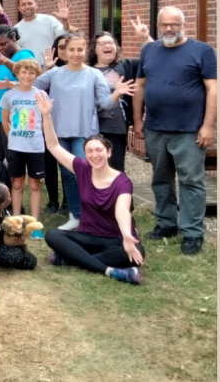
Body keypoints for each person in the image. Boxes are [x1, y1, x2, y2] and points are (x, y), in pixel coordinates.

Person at [133, 6, 217, 256]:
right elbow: (139, 86)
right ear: (158, 26)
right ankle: (166, 223)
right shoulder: (149, 49)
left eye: (174, 24)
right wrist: (137, 120)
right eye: (164, 25)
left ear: (183, 24)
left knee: (191, 181)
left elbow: (213, 89)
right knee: (160, 179)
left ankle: (192, 232)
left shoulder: (201, 50)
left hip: (190, 130)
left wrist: (208, 126)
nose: (169, 29)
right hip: (155, 128)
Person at [39, 92, 145, 285]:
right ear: (85, 153)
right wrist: (46, 115)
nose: (94, 155)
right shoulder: (82, 168)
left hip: (115, 239)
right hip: (87, 237)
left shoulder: (122, 182)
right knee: (53, 235)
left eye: (99, 150)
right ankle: (111, 271)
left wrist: (128, 236)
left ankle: (70, 258)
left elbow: (122, 211)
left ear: (108, 152)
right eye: (90, 151)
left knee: (135, 253)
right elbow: (53, 146)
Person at [33, 33, 132, 231]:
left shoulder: (93, 74)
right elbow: (33, 87)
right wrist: (45, 72)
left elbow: (104, 104)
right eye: (71, 50)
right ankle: (76, 216)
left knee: (85, 173)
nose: (76, 54)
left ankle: (94, 214)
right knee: (68, 175)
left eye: (80, 49)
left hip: (84, 132)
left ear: (85, 50)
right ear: (65, 52)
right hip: (59, 132)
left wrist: (116, 94)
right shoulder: (55, 74)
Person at [88, 26, 152, 171]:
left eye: (111, 43)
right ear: (94, 49)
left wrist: (145, 38)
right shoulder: (86, 70)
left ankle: (119, 194)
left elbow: (153, 57)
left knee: (115, 170)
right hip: (90, 128)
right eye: (102, 43)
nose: (107, 46)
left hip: (116, 128)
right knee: (92, 169)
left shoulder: (127, 66)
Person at [0, 58, 46, 231]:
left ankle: (34, 222)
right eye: (24, 72)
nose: (27, 76)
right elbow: (5, 121)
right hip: (16, 147)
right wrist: (12, 137)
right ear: (17, 74)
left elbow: (44, 120)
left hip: (35, 147)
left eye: (31, 73)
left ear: (36, 75)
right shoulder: (9, 95)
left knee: (35, 184)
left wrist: (39, 135)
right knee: (17, 183)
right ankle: (16, 219)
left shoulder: (41, 95)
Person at [0, 25, 35, 162]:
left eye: (3, 44)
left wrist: (6, 61)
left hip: (14, 112)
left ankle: (13, 183)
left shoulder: (25, 55)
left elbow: (26, 75)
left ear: (13, 40)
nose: (0, 48)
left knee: (12, 156)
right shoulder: (3, 58)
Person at [0, 182, 37, 284]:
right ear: (2, 204)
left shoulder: (5, 211)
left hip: (5, 244)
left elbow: (14, 226)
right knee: (16, 256)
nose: (11, 196)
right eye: (9, 195)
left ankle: (8, 258)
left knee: (32, 261)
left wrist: (21, 236)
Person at [42, 33, 70, 215]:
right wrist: (46, 67)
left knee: (68, 166)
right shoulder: (49, 71)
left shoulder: (81, 70)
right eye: (61, 47)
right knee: (48, 165)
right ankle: (53, 201)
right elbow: (36, 88)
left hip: (70, 126)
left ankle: (68, 202)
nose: (66, 51)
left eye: (69, 46)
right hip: (49, 124)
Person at [15, 0, 72, 65]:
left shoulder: (49, 20)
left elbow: (64, 34)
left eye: (30, 3)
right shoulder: (16, 29)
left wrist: (65, 21)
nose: (27, 7)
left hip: (51, 66)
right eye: (23, 4)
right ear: (19, 8)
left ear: (36, 5)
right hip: (30, 71)